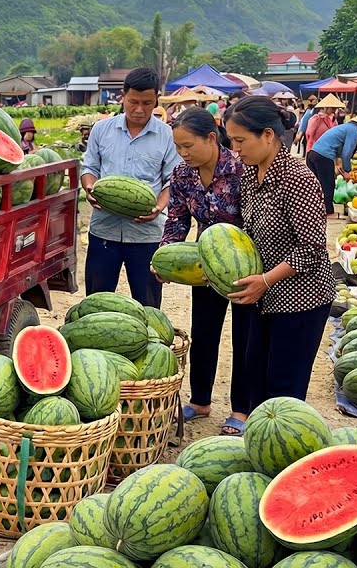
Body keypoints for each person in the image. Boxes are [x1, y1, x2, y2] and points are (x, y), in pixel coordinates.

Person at [224, 97, 335, 407]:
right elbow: (249, 234)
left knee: (284, 387)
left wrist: (266, 279)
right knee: (255, 379)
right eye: (232, 140)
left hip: (302, 299)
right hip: (265, 296)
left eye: (240, 140)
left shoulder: (297, 180)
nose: (236, 148)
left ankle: (286, 453)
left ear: (268, 135)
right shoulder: (249, 176)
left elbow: (311, 249)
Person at [160, 107, 255, 436]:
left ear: (211, 138)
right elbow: (176, 221)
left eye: (188, 146)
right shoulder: (181, 175)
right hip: (204, 266)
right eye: (178, 147)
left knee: (244, 339)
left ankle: (242, 409)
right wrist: (165, 256)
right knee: (203, 333)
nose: (183, 153)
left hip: (245, 266)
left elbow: (256, 221)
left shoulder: (241, 168)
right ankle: (200, 400)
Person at [80, 67, 181, 308]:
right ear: (122, 96)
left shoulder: (167, 135)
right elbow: (89, 168)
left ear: (156, 99)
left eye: (147, 103)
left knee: (148, 305)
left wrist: (158, 207)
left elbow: (172, 181)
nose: (139, 109)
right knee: (96, 303)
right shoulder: (101, 130)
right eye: (133, 101)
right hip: (104, 231)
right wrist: (90, 189)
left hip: (147, 235)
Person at [306, 111, 357, 219]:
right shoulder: (354, 130)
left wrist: (338, 164)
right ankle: (328, 212)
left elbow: (337, 147)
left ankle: (314, 211)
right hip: (323, 156)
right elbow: (347, 152)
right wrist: (347, 170)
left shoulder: (346, 127)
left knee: (317, 186)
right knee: (327, 185)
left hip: (312, 154)